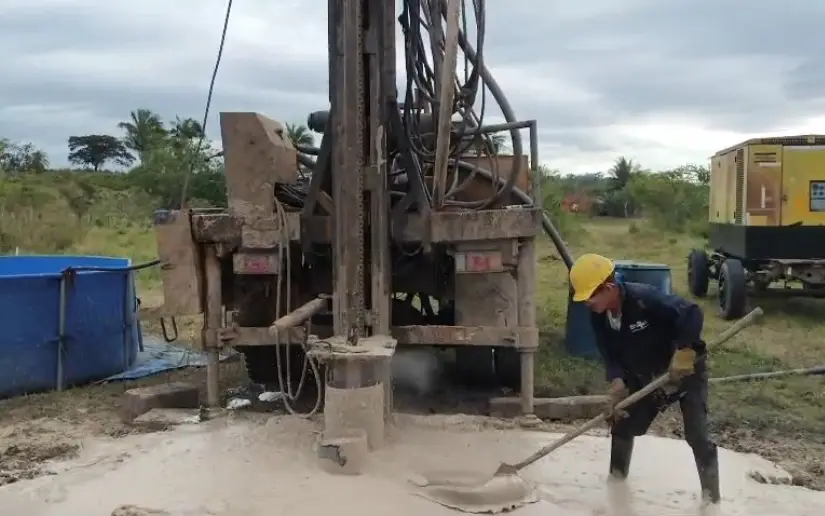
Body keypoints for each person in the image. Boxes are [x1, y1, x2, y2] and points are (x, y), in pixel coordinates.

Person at [569, 253, 720, 505]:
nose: (587, 303)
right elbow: (609, 353)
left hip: (684, 372)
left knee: (697, 436)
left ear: (609, 288)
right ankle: (617, 483)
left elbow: (692, 313)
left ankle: (711, 501)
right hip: (646, 377)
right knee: (622, 424)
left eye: (590, 297)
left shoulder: (644, 299)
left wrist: (684, 350)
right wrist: (617, 381)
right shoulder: (599, 316)